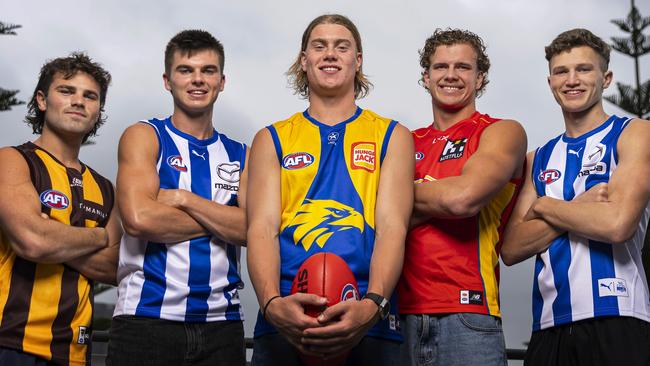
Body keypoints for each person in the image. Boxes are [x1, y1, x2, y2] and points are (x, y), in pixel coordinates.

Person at [246, 13, 414, 365]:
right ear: (304, 61)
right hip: (287, 314)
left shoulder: (392, 136)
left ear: (358, 60)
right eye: (319, 46)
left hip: (367, 317)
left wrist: (373, 305)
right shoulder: (271, 138)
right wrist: (273, 305)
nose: (330, 54)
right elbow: (261, 228)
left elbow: (391, 228)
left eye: (342, 46)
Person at [501, 28, 650, 366]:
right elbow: (511, 248)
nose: (572, 80)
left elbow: (616, 223)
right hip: (549, 326)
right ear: (550, 81)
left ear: (606, 77)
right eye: (561, 71)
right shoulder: (537, 158)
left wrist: (544, 206)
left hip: (619, 316)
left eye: (583, 69)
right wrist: (579, 207)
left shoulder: (634, 134)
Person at [107, 30, 248, 366]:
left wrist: (185, 199)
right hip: (145, 320)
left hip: (222, 324)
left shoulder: (242, 153)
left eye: (208, 71)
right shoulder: (144, 135)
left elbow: (252, 231)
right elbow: (140, 220)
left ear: (222, 81)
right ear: (167, 81)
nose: (197, 79)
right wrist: (224, 218)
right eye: (185, 70)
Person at [397, 29, 527, 366]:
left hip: (467, 313)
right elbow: (374, 217)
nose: (451, 75)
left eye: (463, 67)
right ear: (426, 77)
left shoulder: (501, 131)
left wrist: (399, 197)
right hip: (398, 316)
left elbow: (462, 200)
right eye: (441, 67)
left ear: (480, 78)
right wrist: (435, 194)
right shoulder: (403, 141)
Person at [0, 53, 120, 366]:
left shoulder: (106, 188)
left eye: (89, 96)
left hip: (75, 353)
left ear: (98, 111)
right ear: (42, 100)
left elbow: (117, 267)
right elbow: (32, 240)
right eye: (66, 91)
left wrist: (51, 233)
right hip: (10, 344)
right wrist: (99, 237)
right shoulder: (13, 161)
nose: (78, 101)